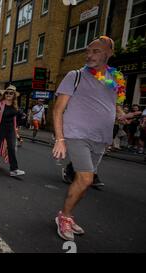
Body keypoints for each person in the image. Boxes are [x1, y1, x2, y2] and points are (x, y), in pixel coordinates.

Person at [52, 36, 128, 241]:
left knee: (85, 181)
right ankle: (64, 217)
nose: (89, 55)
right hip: (77, 134)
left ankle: (68, 215)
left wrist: (120, 114)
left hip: (101, 138)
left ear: (109, 53)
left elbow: (114, 104)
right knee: (85, 178)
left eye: (96, 51)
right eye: (88, 51)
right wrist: (60, 139)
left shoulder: (117, 77)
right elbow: (58, 109)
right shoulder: (74, 75)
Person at [0, 85, 25, 177]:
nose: (8, 94)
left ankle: (14, 169)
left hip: (10, 129)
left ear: (14, 95)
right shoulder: (0, 105)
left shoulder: (15, 106)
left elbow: (16, 119)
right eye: (7, 93)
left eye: (11, 93)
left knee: (11, 147)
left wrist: (18, 125)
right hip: (0, 128)